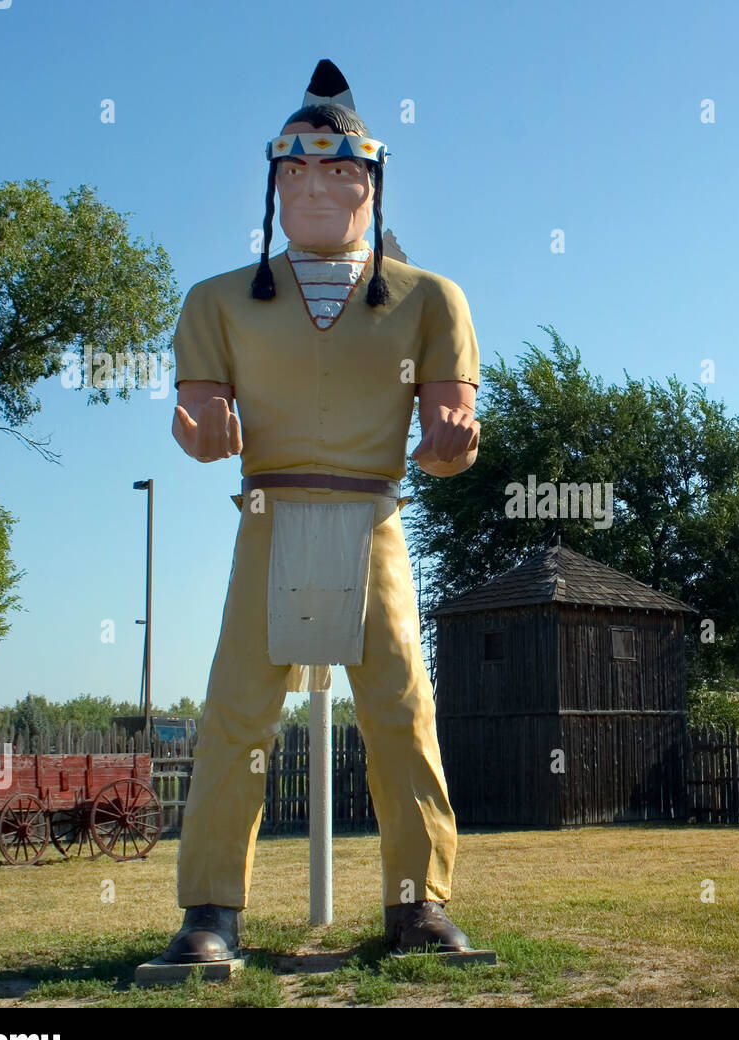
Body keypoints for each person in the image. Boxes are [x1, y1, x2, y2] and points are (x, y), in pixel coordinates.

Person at [161, 59, 481, 961]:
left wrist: (453, 439)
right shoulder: (217, 300)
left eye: (339, 169)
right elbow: (199, 415)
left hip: (374, 520)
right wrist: (203, 428)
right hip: (266, 517)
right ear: (272, 179)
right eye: (294, 168)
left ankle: (418, 903)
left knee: (400, 710)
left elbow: (449, 423)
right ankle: (210, 910)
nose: (315, 184)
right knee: (235, 711)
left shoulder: (433, 301)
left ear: (371, 181)